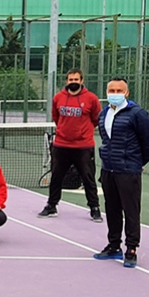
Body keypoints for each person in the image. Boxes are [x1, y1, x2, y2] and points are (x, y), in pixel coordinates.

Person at [93, 77, 149, 268]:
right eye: (111, 91)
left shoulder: (137, 114)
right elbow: (106, 141)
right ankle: (114, 246)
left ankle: (131, 249)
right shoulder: (104, 114)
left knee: (131, 211)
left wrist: (137, 162)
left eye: (118, 91)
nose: (114, 94)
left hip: (129, 171)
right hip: (108, 170)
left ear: (126, 93)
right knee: (112, 210)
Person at [38, 68, 102, 221]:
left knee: (88, 178)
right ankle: (51, 205)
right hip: (61, 146)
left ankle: (94, 208)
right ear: (67, 81)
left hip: (83, 147)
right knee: (56, 177)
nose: (73, 82)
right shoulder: (58, 98)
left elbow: (96, 119)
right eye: (70, 80)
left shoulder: (91, 98)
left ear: (82, 81)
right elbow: (56, 117)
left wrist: (82, 133)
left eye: (76, 80)